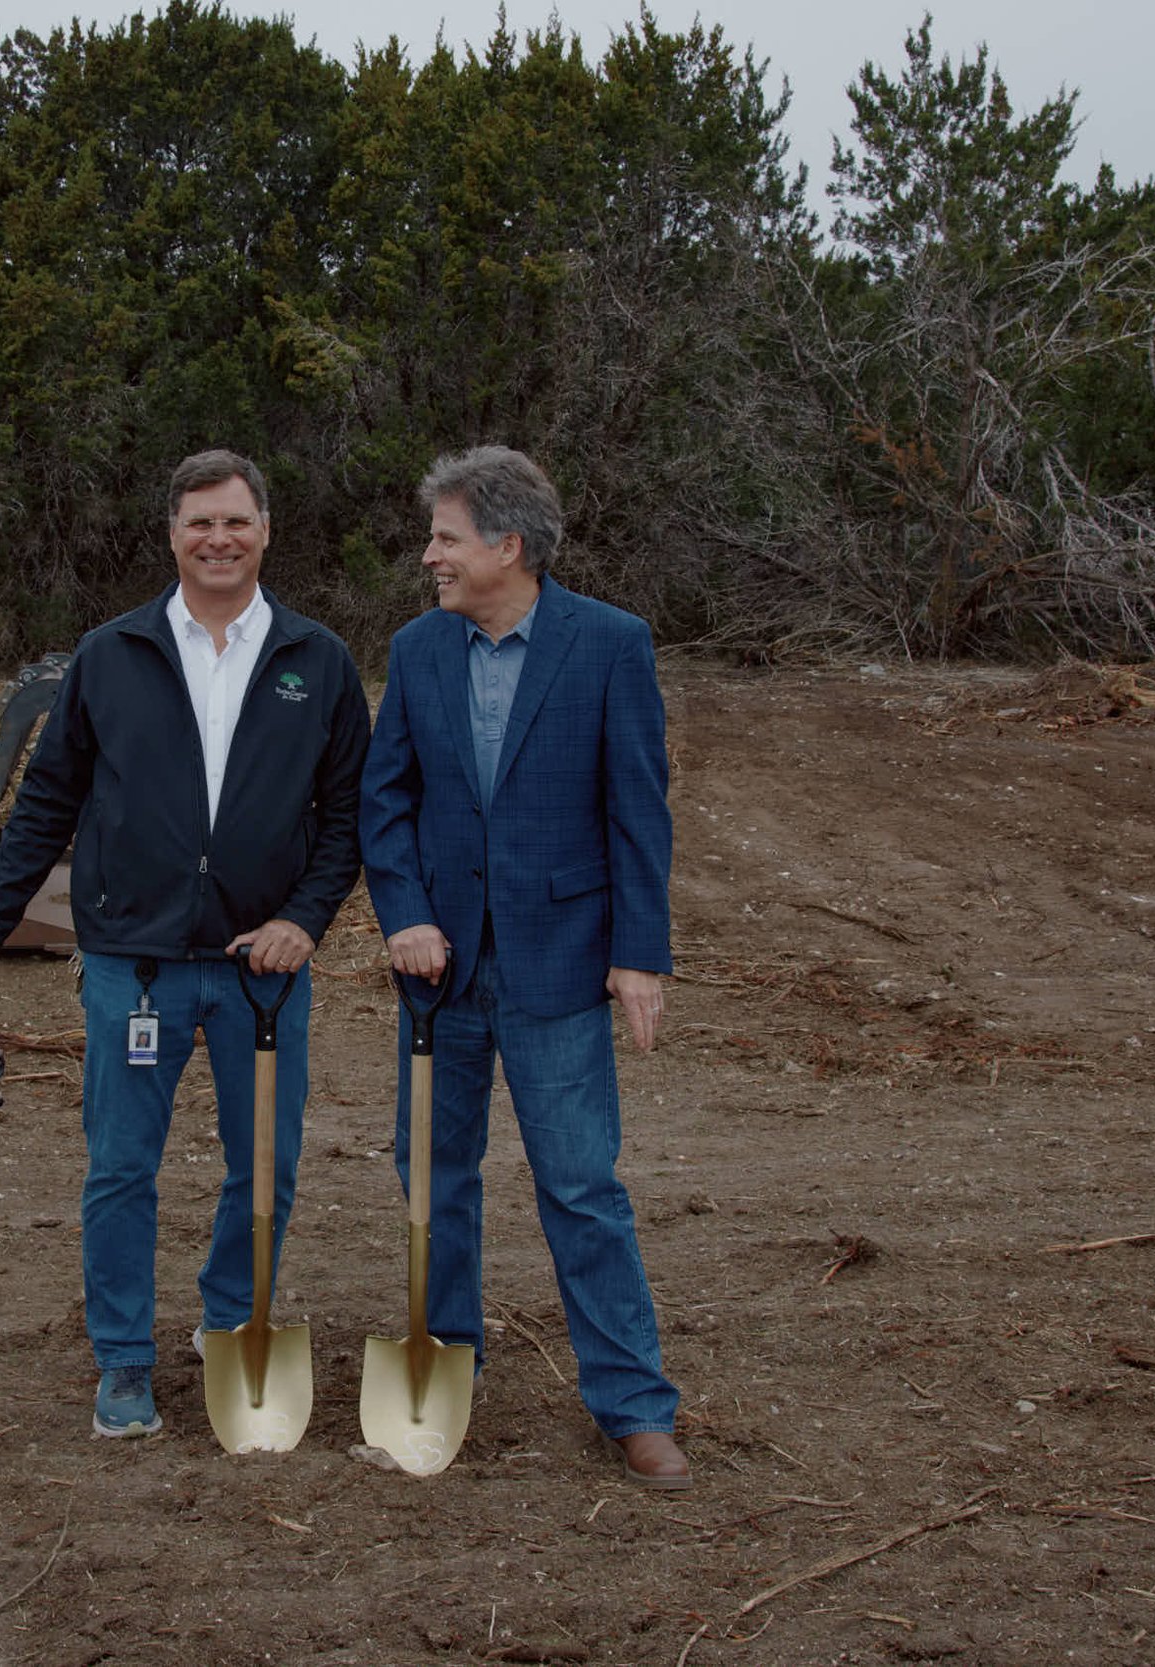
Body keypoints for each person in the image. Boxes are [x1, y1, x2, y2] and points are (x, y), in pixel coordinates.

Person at [0, 449, 370, 1439]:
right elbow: (45, 799)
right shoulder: (110, 653)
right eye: (198, 523)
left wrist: (303, 920)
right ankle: (124, 1359)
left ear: (265, 530)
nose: (217, 539)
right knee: (121, 1168)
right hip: (132, 971)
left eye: (235, 521)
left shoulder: (318, 659)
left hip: (260, 976)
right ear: (171, 534)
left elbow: (346, 814)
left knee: (264, 1168)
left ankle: (229, 1327)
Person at [357, 445, 691, 1488]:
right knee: (432, 1183)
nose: (429, 558)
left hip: (558, 967)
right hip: (437, 974)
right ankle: (444, 1374)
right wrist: (403, 914)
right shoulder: (417, 651)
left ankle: (633, 1406)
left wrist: (638, 954)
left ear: (508, 545)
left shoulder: (609, 645)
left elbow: (638, 809)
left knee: (581, 1186)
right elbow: (387, 800)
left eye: (446, 539)